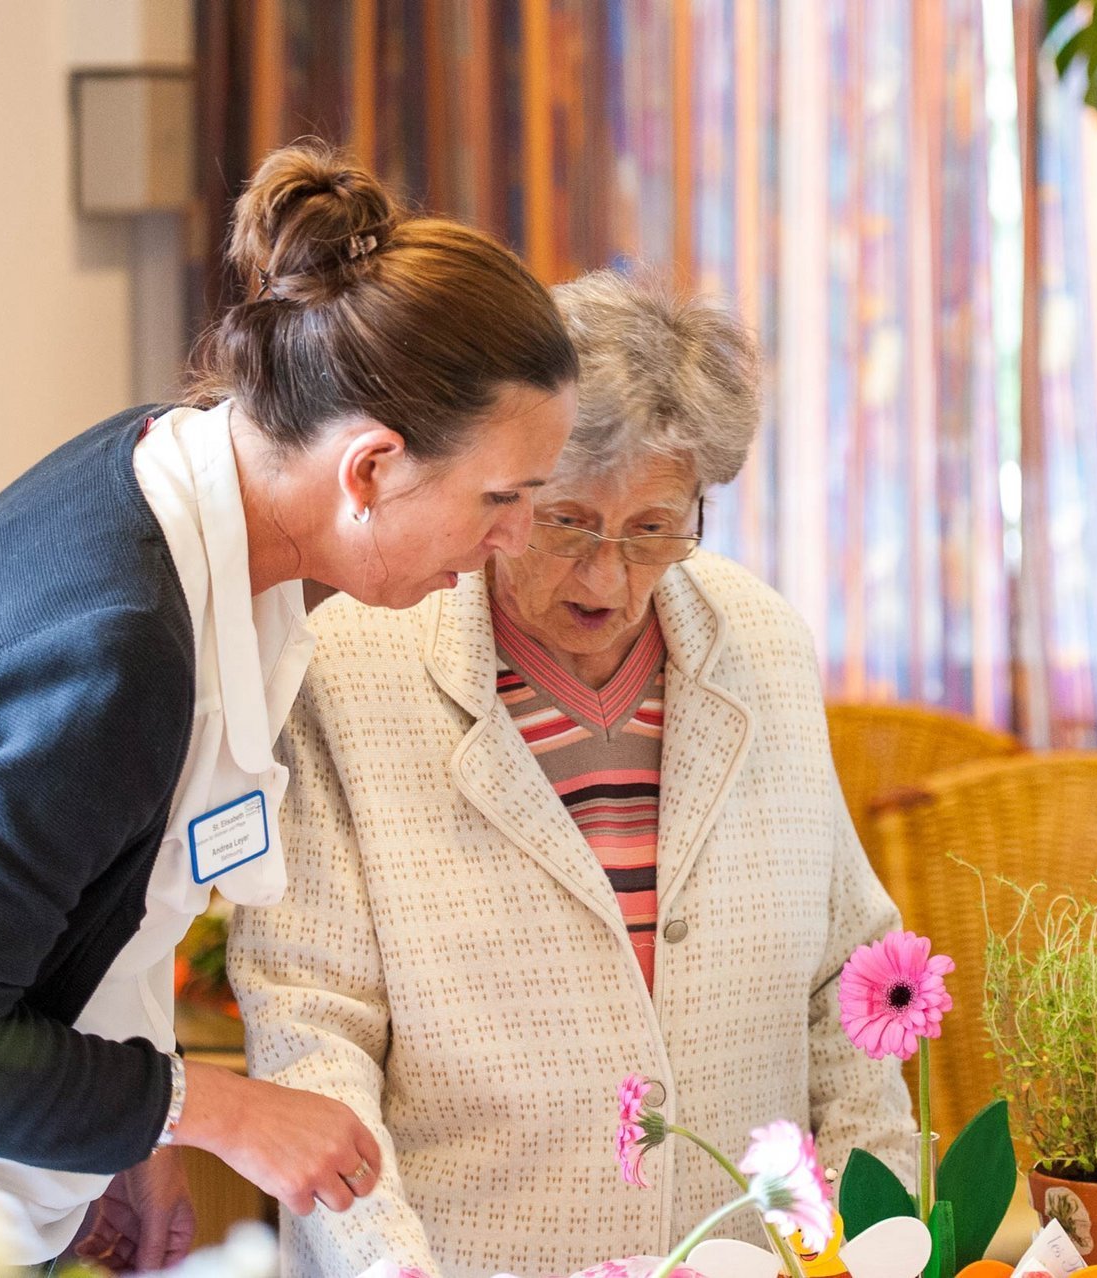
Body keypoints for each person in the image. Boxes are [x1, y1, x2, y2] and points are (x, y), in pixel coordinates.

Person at [0, 142, 578, 1271]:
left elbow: (93, 901)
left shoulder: (165, 474)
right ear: (369, 469)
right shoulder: (116, 652)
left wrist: (123, 1128)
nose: (512, 542)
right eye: (499, 499)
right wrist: (211, 1110)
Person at [228, 270, 916, 1278]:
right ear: (504, 492)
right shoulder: (353, 670)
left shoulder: (761, 646)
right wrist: (385, 1267)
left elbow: (847, 973)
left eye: (654, 530)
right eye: (568, 525)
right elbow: (308, 1024)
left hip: (748, 1255)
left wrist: (869, 1238)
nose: (608, 578)